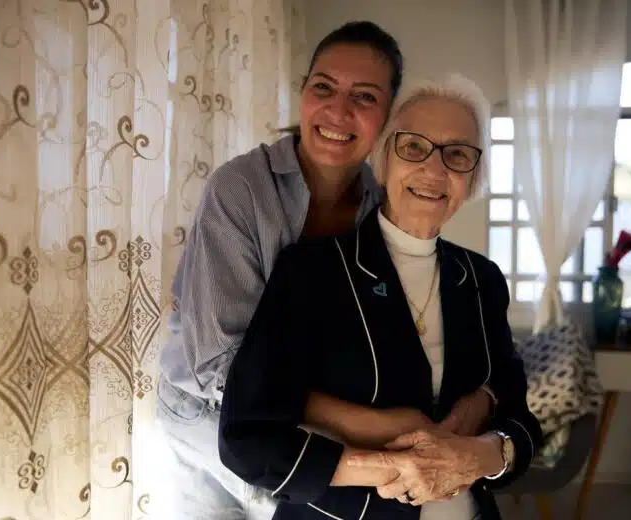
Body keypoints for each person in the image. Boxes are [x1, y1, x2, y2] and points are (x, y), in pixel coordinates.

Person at [218, 74, 544, 520]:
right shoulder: (311, 272)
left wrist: (476, 457)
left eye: (458, 155)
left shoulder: (481, 280)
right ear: (383, 158)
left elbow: (521, 422)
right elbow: (246, 438)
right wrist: (391, 466)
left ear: (474, 177)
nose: (435, 169)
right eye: (413, 147)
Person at [155, 20, 428, 520]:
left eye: (364, 97)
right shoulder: (239, 190)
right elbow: (219, 362)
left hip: (301, 422)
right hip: (209, 414)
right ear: (303, 92)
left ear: (389, 115)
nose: (338, 110)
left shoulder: (380, 205)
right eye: (323, 87)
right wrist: (366, 425)